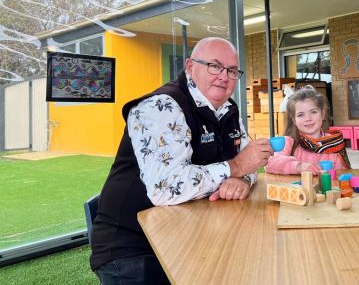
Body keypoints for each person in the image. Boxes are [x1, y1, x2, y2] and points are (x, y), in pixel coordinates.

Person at [90, 37, 273, 284]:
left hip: (188, 234)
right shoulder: (159, 107)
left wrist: (242, 178)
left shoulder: (228, 109)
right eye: (214, 66)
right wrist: (236, 167)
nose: (224, 76)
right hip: (133, 248)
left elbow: (247, 161)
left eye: (231, 70)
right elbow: (164, 188)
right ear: (190, 66)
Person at [265, 85, 351, 175]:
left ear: (323, 114)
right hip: (297, 189)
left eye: (313, 112)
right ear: (294, 120)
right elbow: (270, 163)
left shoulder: (334, 143)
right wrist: (299, 167)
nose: (308, 118)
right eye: (300, 115)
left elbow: (342, 175)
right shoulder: (288, 142)